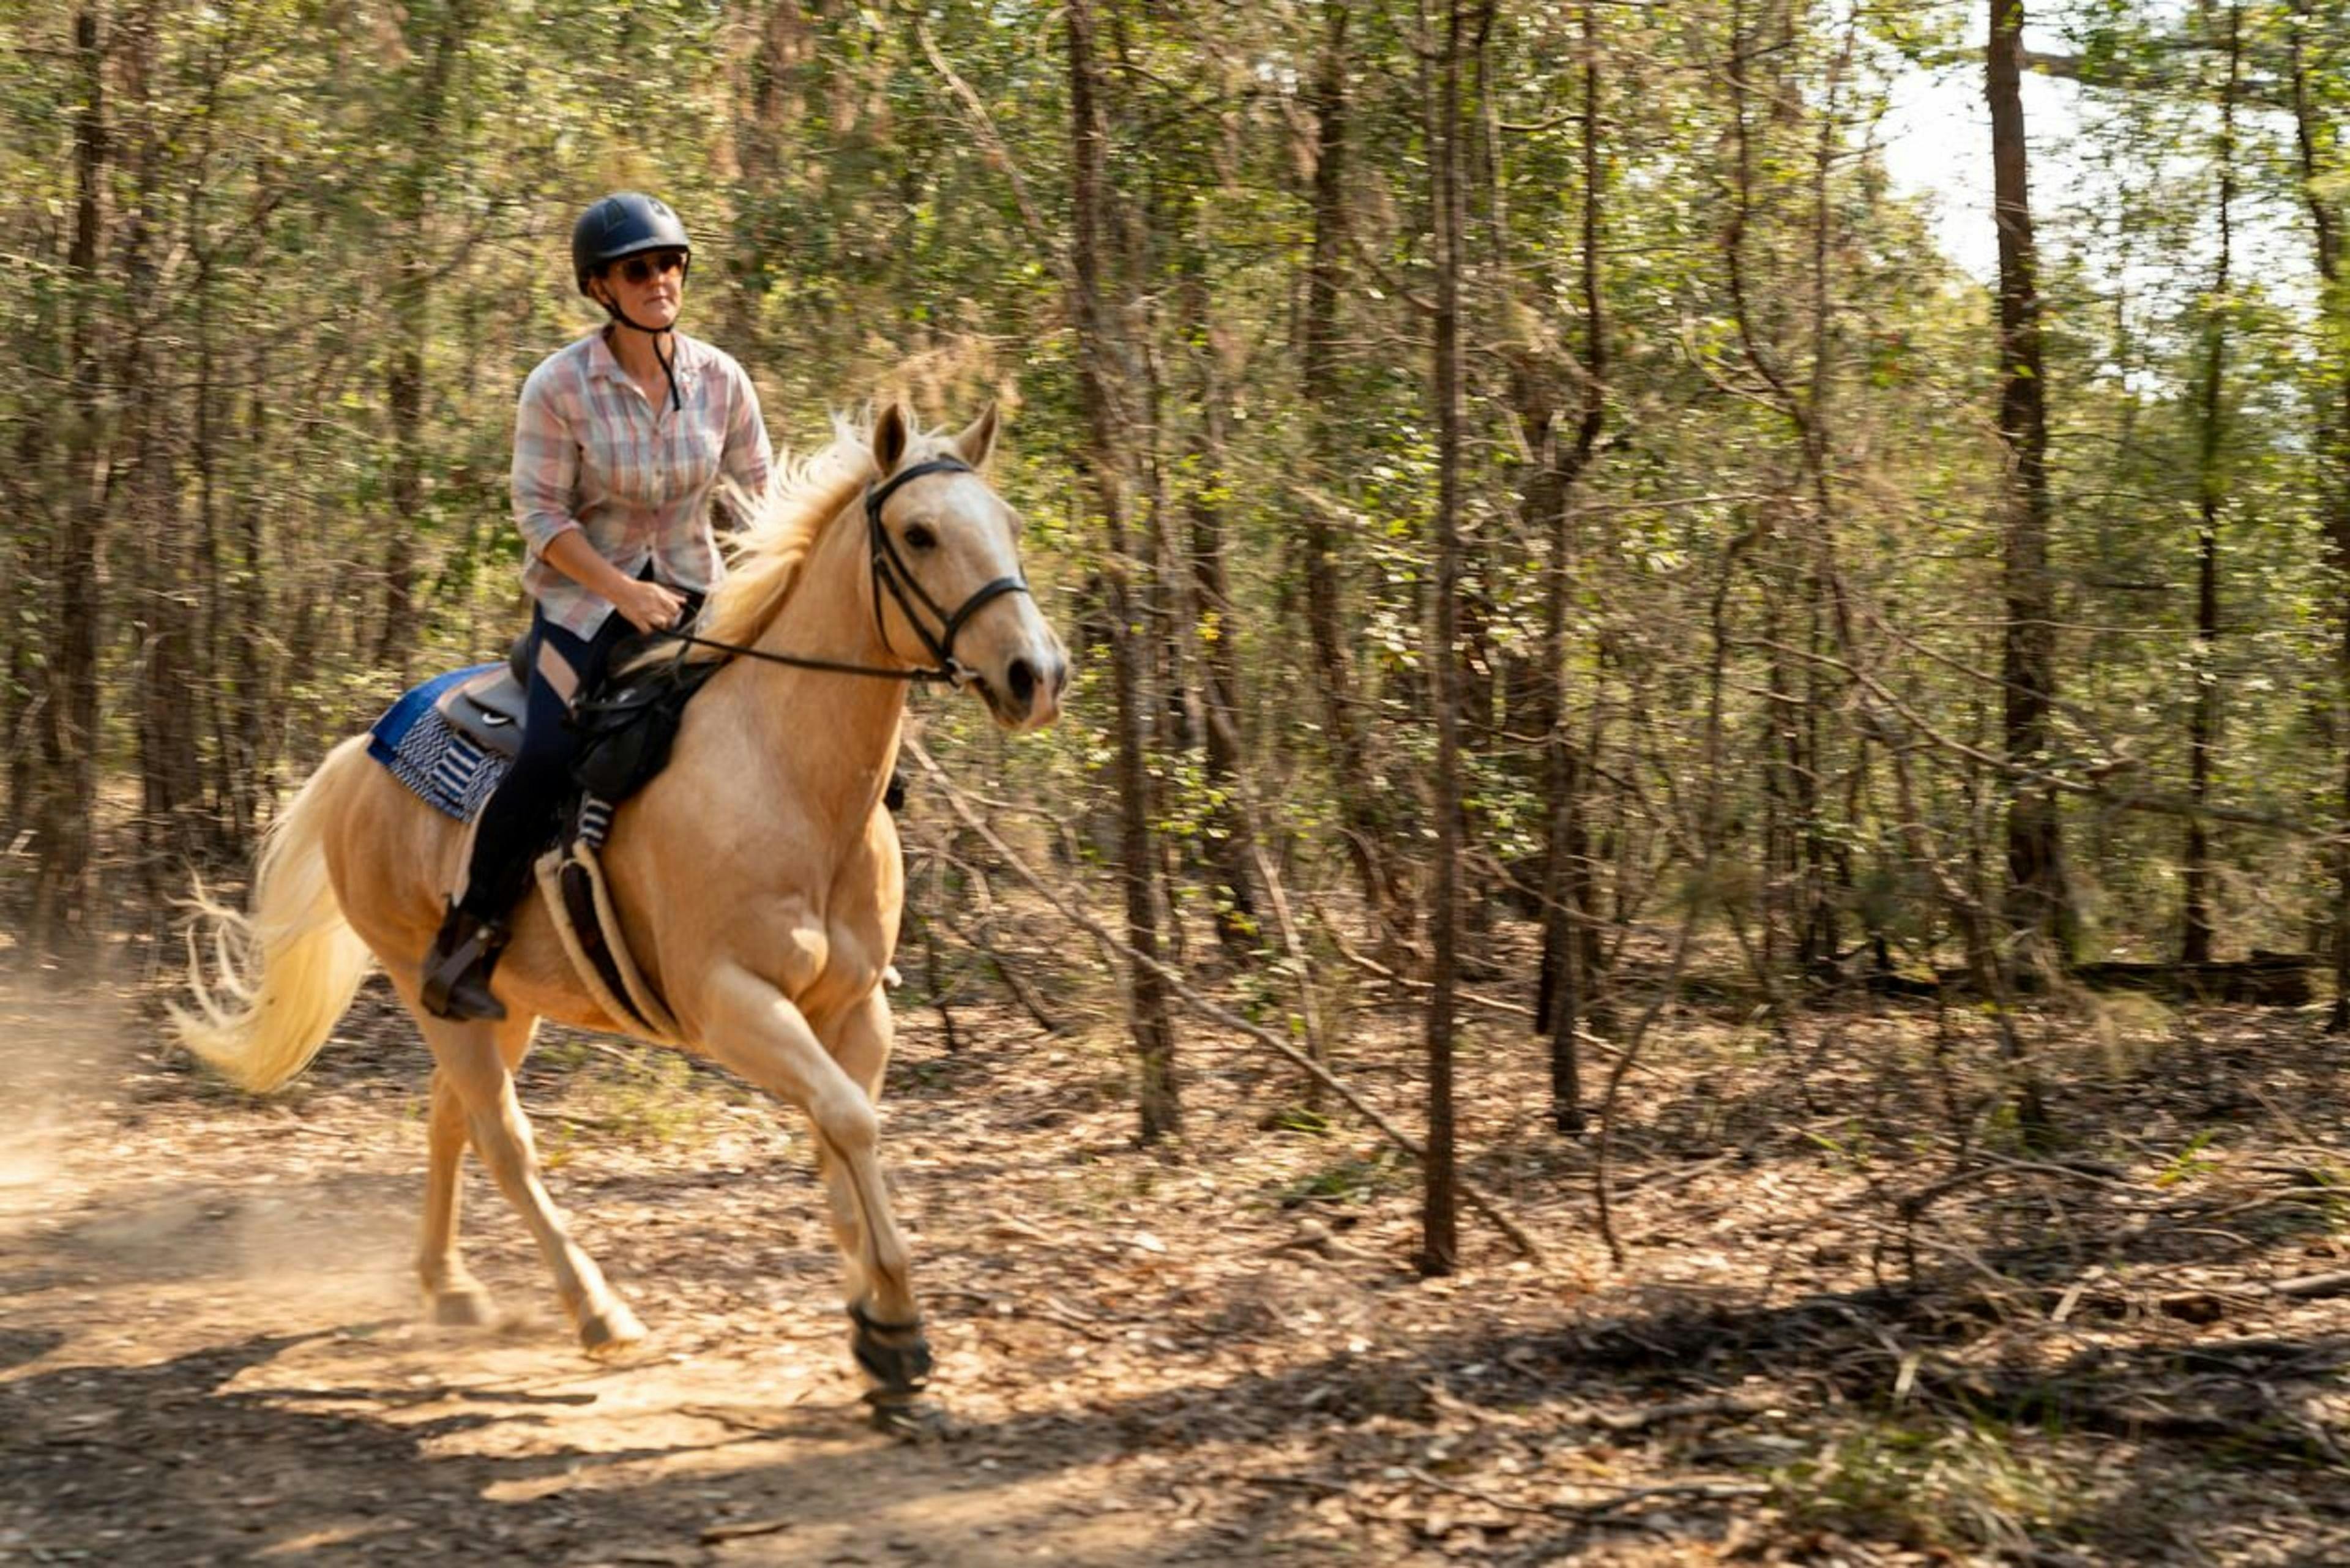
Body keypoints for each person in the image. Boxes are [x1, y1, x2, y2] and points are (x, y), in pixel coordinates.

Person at [422, 191, 774, 1020]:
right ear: (602, 289)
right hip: (584, 608)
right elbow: (541, 515)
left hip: (702, 596)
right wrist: (624, 590)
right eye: (637, 269)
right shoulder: (558, 387)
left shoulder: (722, 381)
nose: (659, 280)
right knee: (547, 754)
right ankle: (467, 937)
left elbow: (762, 498)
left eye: (669, 264)